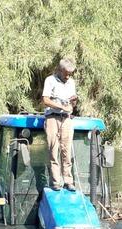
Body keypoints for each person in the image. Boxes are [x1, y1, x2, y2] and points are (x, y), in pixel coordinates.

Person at [42, 58, 78, 191]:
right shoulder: (50, 80)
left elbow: (72, 104)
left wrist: (73, 101)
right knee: (53, 149)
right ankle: (56, 182)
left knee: (66, 150)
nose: (68, 76)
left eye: (70, 73)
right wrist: (60, 106)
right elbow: (45, 100)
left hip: (67, 119)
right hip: (52, 117)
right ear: (59, 70)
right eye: (66, 73)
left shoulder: (71, 82)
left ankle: (68, 181)